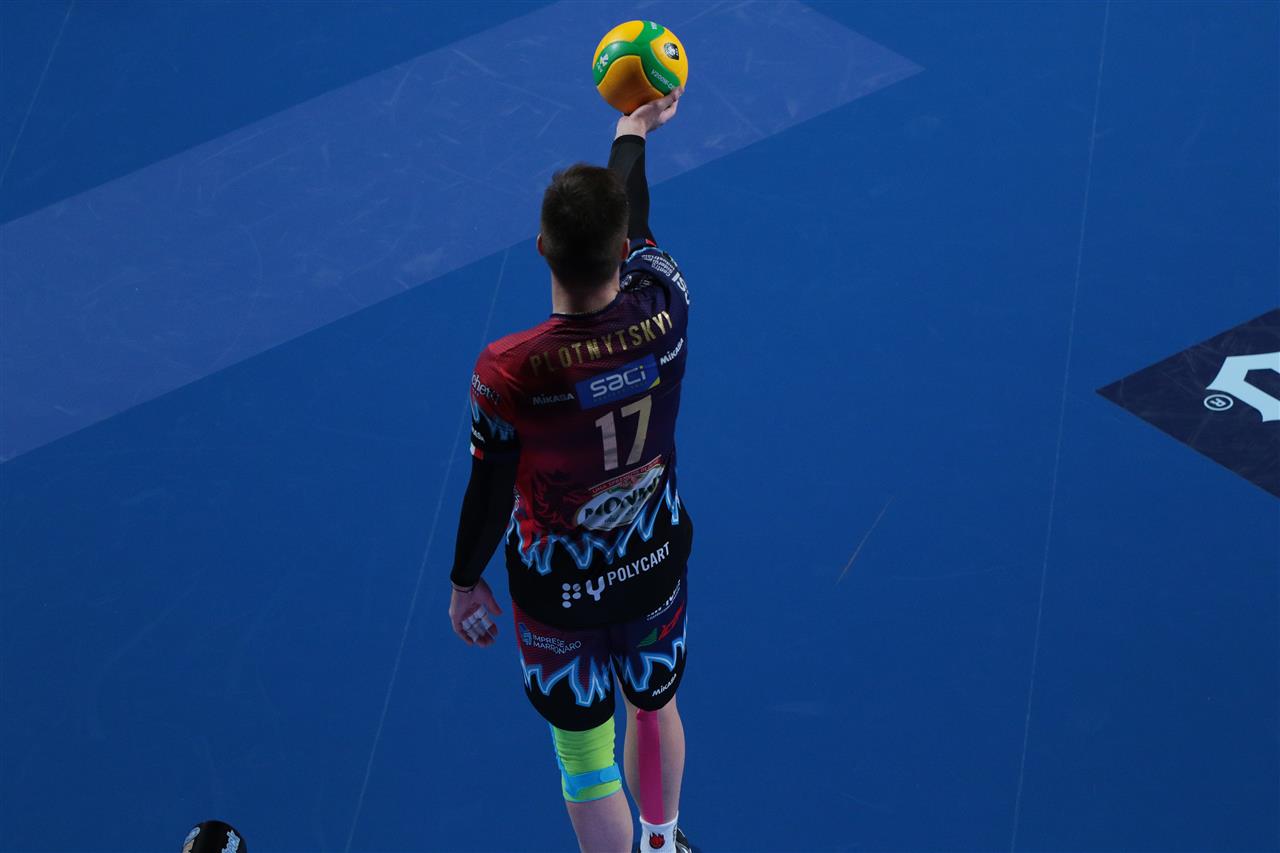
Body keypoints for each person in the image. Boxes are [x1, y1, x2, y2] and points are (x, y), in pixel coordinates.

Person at [447, 87, 695, 853]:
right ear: (623, 254)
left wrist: (465, 580)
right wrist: (632, 131)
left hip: (559, 588)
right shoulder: (666, 307)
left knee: (584, 756)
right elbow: (634, 216)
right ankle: (663, 843)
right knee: (653, 704)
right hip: (651, 559)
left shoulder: (509, 369)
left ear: (541, 248)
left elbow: (491, 484)